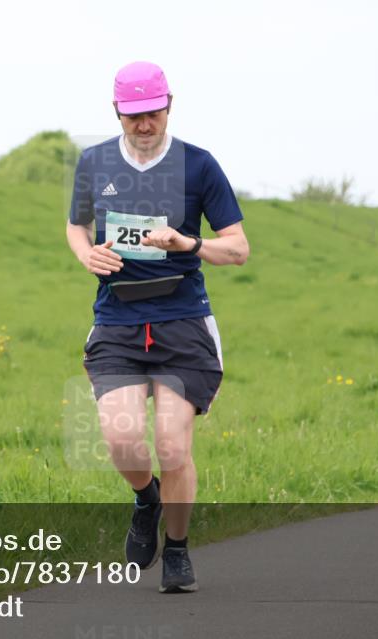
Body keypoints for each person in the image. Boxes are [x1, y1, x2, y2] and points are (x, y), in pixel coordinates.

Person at [66, 61, 250, 593]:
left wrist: (187, 243)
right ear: (117, 113)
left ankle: (178, 550)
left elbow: (238, 248)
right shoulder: (94, 162)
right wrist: (87, 256)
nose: (144, 124)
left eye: (152, 113)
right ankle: (146, 499)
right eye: (133, 116)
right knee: (123, 440)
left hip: (182, 322)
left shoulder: (199, 165)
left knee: (172, 445)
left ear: (169, 105)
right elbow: (77, 225)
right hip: (118, 320)